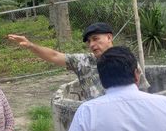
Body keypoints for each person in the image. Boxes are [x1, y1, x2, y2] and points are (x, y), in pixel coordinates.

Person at [8, 22, 149, 100]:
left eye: (95, 39)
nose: (92, 45)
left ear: (109, 37)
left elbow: (143, 91)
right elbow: (54, 56)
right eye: (89, 41)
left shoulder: (126, 59)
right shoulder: (83, 62)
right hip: (96, 120)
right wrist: (31, 45)